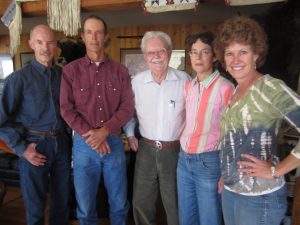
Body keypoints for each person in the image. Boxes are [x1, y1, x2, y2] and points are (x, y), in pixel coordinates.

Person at [213, 15, 300, 225]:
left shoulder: (269, 88)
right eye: (230, 53)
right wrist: (227, 174)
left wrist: (276, 170)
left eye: (243, 52)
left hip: (260, 198)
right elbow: (234, 140)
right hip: (232, 191)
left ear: (256, 54)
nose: (235, 60)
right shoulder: (236, 91)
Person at [60, 15, 134, 225]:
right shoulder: (70, 71)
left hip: (114, 145)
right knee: (85, 207)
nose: (94, 37)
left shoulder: (121, 71)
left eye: (99, 32)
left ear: (106, 36)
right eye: (89, 32)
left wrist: (104, 132)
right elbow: (66, 109)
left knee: (119, 204)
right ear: (83, 36)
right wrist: (93, 136)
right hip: (84, 147)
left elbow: (127, 108)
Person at [0, 24, 72, 225]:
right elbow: (1, 121)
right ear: (31, 43)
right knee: (35, 206)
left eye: (49, 42)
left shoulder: (64, 76)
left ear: (55, 45)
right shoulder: (17, 79)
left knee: (62, 203)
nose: (45, 48)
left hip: (63, 145)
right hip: (34, 146)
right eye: (40, 42)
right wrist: (22, 149)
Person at [124, 31, 191, 225]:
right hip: (146, 149)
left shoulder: (184, 80)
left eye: (160, 51)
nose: (156, 56)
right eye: (150, 52)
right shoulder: (137, 82)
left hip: (175, 150)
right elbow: (129, 113)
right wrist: (130, 135)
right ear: (144, 56)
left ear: (169, 53)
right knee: (141, 202)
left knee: (175, 203)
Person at [177, 31, 234, 225]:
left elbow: (231, 134)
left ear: (215, 56)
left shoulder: (226, 88)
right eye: (194, 52)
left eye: (204, 52)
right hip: (183, 160)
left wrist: (225, 173)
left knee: (209, 219)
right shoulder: (189, 86)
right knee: (186, 218)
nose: (198, 57)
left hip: (209, 163)